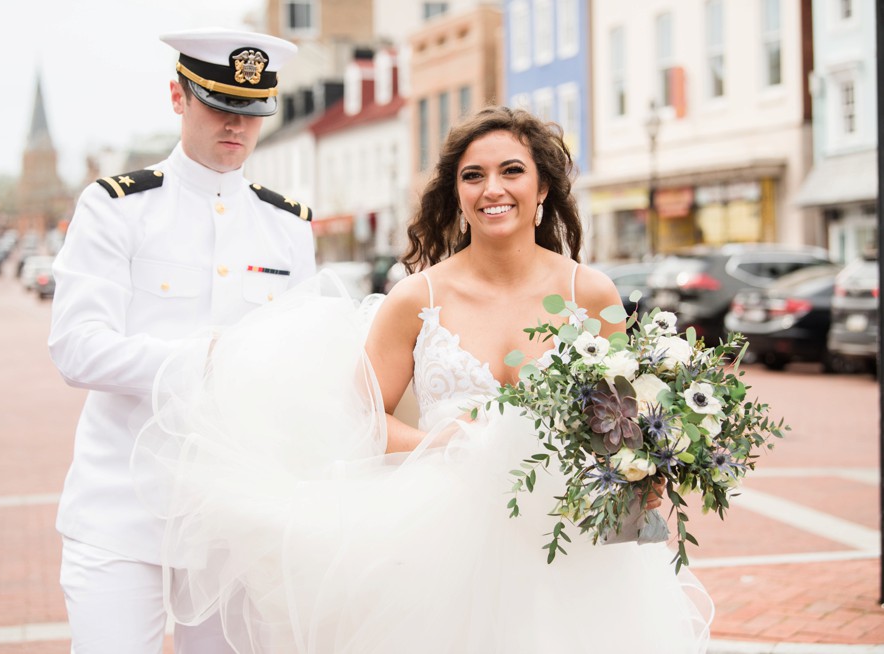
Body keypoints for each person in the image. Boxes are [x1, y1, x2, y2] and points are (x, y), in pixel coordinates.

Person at [133, 106, 713, 652]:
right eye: (473, 176)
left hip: (570, 545)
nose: (493, 189)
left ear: (542, 190)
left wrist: (645, 473)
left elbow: (621, 425)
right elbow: (359, 420)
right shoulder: (417, 298)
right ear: (456, 195)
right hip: (439, 549)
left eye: (513, 171)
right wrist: (438, 443)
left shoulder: (591, 292)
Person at [48, 27, 315, 654]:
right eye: (220, 105)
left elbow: (302, 363)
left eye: (251, 113)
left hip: (233, 522)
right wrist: (206, 360)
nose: (236, 127)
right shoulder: (116, 207)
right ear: (178, 97)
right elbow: (75, 347)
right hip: (119, 514)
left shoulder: (287, 226)